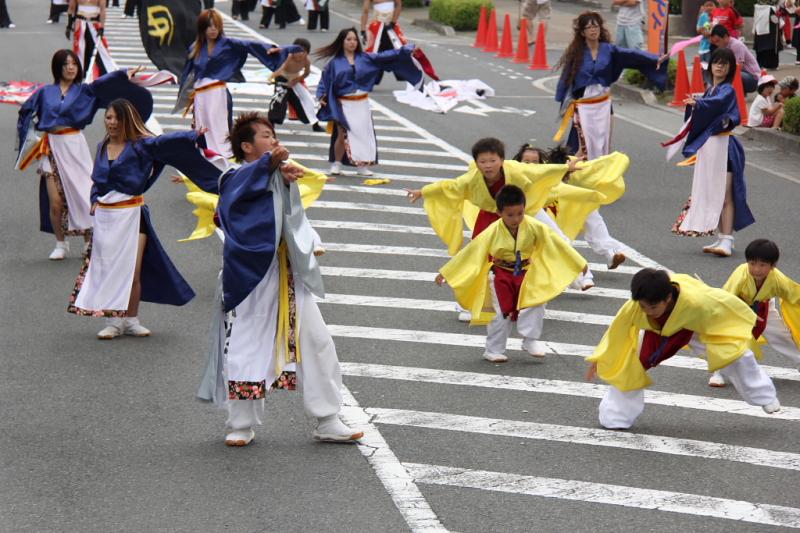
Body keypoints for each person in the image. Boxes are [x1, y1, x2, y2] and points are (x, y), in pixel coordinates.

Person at [197, 112, 362, 447]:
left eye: (273, 134)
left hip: (288, 274)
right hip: (251, 279)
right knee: (247, 346)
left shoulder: (278, 173)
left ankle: (328, 418)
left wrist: (311, 242)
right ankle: (240, 423)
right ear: (247, 146)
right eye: (264, 135)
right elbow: (235, 201)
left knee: (317, 342)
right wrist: (271, 166)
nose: (272, 139)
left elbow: (294, 217)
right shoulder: (233, 177)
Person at [68, 99, 219, 339]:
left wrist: (191, 135)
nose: (112, 123)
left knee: (133, 270)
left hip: (132, 215)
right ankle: (114, 321)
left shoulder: (140, 146)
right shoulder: (101, 146)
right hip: (106, 218)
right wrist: (95, 198)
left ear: (127, 120)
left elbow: (163, 141)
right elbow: (98, 180)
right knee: (109, 268)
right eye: (108, 117)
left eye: (117, 118)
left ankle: (131, 319)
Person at [586, 268, 781, 430]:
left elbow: (723, 300)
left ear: (668, 298)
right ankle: (615, 417)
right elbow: (617, 329)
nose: (646, 311)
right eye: (643, 307)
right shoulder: (638, 304)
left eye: (652, 307)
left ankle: (764, 396)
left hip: (696, 325)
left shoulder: (697, 301)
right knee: (631, 366)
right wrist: (602, 356)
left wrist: (748, 315)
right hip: (659, 330)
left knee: (738, 355)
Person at [554, 12, 666, 270]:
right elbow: (566, 79)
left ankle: (600, 180)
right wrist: (561, 98)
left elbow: (631, 56)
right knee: (579, 144)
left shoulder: (609, 50)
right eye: (588, 27)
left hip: (602, 104)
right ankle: (576, 176)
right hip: (582, 105)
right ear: (581, 31)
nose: (593, 30)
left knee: (602, 144)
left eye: (596, 26)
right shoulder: (576, 53)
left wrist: (655, 60)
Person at [16, 51, 154, 260]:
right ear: (58, 67)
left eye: (74, 64)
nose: (71, 67)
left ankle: (89, 240)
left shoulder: (85, 91)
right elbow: (26, 111)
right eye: (66, 64)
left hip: (74, 145)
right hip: (51, 146)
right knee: (55, 200)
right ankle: (61, 242)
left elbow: (106, 83)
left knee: (83, 194)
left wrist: (124, 73)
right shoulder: (45, 92)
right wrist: (28, 139)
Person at [435, 185, 589, 362]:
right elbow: (473, 250)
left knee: (538, 302)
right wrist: (447, 272)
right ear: (499, 213)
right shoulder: (493, 230)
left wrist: (579, 263)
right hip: (501, 274)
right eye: (510, 215)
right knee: (501, 314)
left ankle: (530, 340)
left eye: (520, 213)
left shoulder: (534, 226)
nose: (516, 219)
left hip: (527, 272)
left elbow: (557, 244)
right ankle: (493, 349)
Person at [663, 48, 754, 256]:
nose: (720, 66)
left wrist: (700, 103)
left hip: (725, 148)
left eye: (725, 63)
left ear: (731, 68)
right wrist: (698, 104)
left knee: (726, 194)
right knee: (715, 192)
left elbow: (718, 104)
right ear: (710, 65)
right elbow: (706, 109)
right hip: (711, 148)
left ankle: (728, 239)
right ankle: (721, 237)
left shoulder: (726, 91)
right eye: (716, 62)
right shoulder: (710, 90)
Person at [177, 9, 302, 158]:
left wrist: (282, 49)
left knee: (219, 127)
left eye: (216, 26)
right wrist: (182, 91)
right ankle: (204, 154)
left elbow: (251, 45)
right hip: (200, 95)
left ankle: (223, 156)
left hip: (217, 93)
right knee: (202, 127)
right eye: (209, 26)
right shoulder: (195, 48)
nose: (213, 30)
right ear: (202, 28)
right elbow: (186, 73)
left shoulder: (228, 44)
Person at [315, 28, 422, 177]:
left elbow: (386, 55)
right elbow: (324, 81)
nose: (352, 42)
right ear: (342, 42)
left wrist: (406, 49)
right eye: (348, 39)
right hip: (343, 103)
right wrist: (321, 95)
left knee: (364, 134)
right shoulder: (334, 63)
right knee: (341, 134)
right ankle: (336, 163)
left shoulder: (366, 58)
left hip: (362, 103)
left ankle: (362, 166)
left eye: (354, 39)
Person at [708, 239, 800, 387]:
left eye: (762, 265)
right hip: (734, 309)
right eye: (752, 263)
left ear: (773, 266)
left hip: (763, 308)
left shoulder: (777, 279)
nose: (756, 269)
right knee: (727, 337)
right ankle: (718, 372)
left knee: (781, 335)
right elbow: (726, 298)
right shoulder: (741, 274)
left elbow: (794, 295)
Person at [361, 0, 438, 81]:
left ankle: (373, 76)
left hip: (378, 27)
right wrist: (393, 22)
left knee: (375, 52)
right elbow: (398, 4)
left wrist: (363, 30)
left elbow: (365, 11)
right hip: (388, 26)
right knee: (398, 49)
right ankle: (405, 74)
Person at [268, 38, 325, 132]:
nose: (301, 54)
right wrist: (271, 78)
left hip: (295, 81)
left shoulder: (306, 61)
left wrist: (295, 81)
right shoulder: (289, 57)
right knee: (279, 100)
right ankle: (271, 124)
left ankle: (315, 124)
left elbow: (306, 73)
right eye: (298, 51)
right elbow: (280, 69)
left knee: (307, 100)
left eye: (304, 51)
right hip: (282, 79)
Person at [66, 0, 115, 81]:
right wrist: (69, 24)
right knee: (82, 50)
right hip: (83, 23)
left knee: (97, 50)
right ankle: (81, 72)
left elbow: (71, 8)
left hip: (92, 23)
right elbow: (71, 7)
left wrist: (102, 27)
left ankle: (102, 72)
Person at [708, 24, 761, 93]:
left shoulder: (736, 45)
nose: (716, 44)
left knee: (730, 73)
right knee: (713, 70)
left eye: (718, 41)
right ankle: (715, 91)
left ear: (726, 37)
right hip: (744, 75)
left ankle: (731, 93)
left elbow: (738, 67)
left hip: (753, 78)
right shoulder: (723, 47)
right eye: (714, 42)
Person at [753, 2, 783, 69]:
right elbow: (775, 20)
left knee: (761, 50)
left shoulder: (757, 8)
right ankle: (771, 65)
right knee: (770, 49)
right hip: (770, 33)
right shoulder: (771, 9)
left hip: (759, 31)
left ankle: (761, 64)